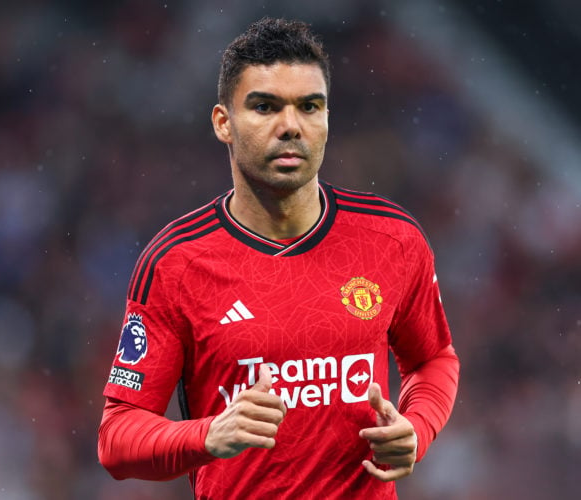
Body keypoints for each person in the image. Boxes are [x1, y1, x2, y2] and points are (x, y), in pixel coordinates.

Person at [98, 17, 459, 499]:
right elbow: (117, 437)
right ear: (223, 122)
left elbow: (433, 358)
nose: (291, 126)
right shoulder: (176, 263)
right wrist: (207, 435)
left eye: (309, 107)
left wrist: (418, 428)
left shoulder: (391, 238)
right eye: (265, 107)